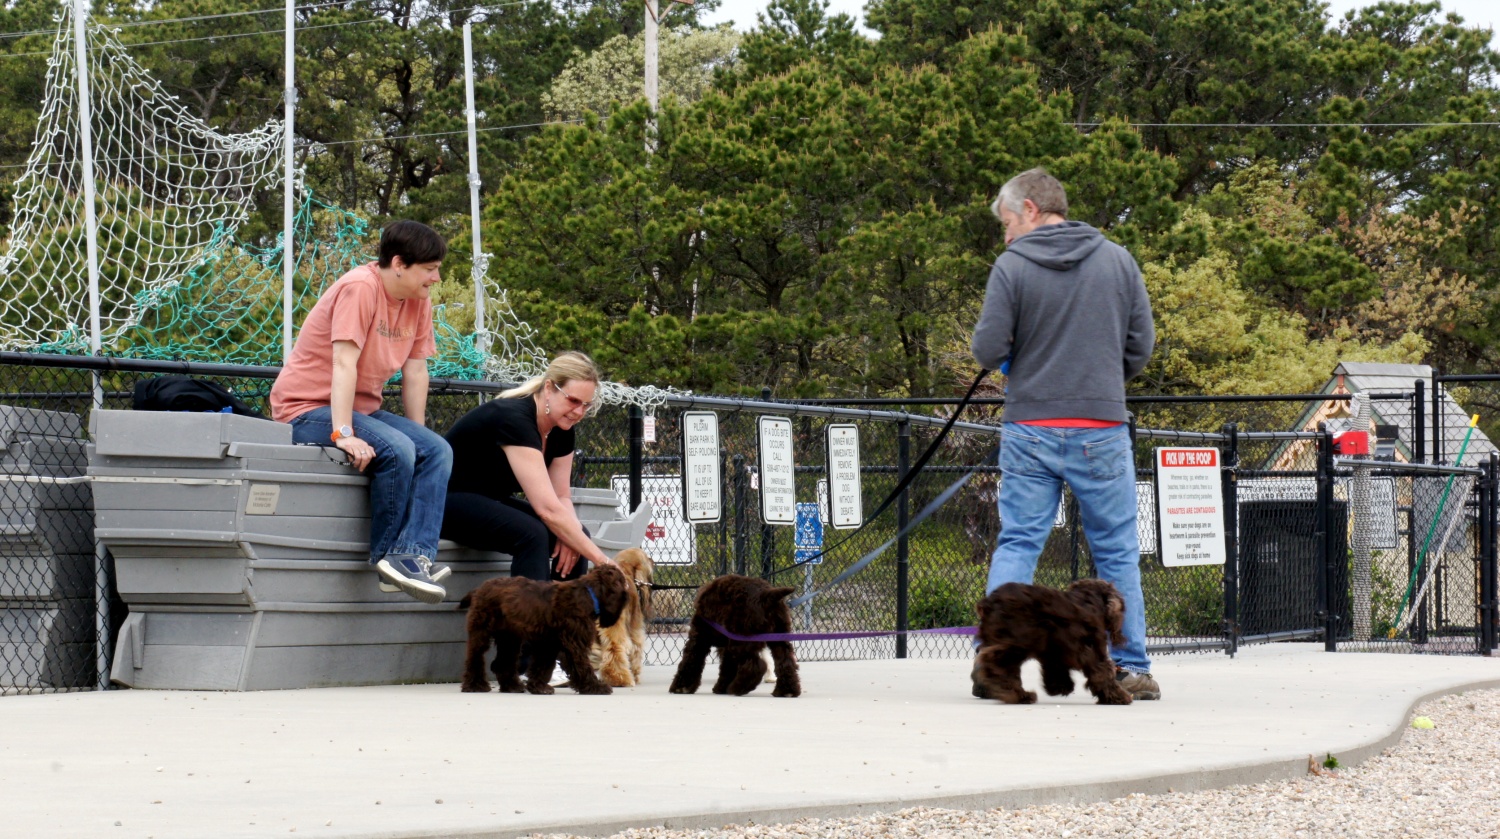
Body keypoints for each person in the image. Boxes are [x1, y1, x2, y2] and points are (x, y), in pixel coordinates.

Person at [970, 168, 1159, 701]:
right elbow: (1140, 346)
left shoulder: (1011, 267)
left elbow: (986, 351)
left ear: (1030, 209)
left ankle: (994, 663)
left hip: (1030, 426)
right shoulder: (1118, 260)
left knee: (1020, 541)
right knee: (1118, 553)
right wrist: (1098, 380)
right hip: (1101, 426)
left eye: (1006, 223)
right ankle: (1130, 667)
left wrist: (1022, 363)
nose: (1005, 236)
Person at [270, 220, 454, 604]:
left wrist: (417, 433)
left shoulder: (419, 301)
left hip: (363, 409)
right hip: (306, 408)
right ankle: (388, 556)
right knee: (398, 450)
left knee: (436, 450)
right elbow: (343, 364)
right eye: (430, 269)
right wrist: (343, 433)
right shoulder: (360, 288)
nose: (436, 277)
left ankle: (414, 557)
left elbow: (416, 370)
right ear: (400, 263)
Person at [441, 351, 618, 582]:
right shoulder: (514, 418)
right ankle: (530, 616)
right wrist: (604, 562)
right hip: (442, 501)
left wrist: (572, 535)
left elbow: (561, 496)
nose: (579, 412)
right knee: (532, 534)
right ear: (548, 388)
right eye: (573, 401)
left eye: (586, 405)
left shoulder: (562, 428)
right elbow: (547, 509)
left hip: (487, 500)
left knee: (576, 535)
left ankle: (567, 616)